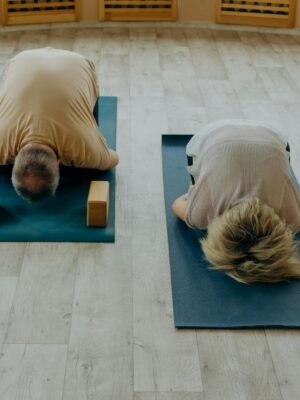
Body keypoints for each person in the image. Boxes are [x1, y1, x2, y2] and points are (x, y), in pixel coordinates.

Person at [172, 120, 300, 284]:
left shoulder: (293, 220)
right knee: (194, 183)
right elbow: (178, 203)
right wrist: (198, 192)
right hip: (210, 136)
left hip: (269, 134)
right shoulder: (201, 216)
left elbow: (176, 203)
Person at [0, 47, 118, 202]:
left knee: (91, 170)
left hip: (78, 65)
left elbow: (113, 159)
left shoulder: (84, 147)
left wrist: (87, 157)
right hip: (22, 60)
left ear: (59, 163)